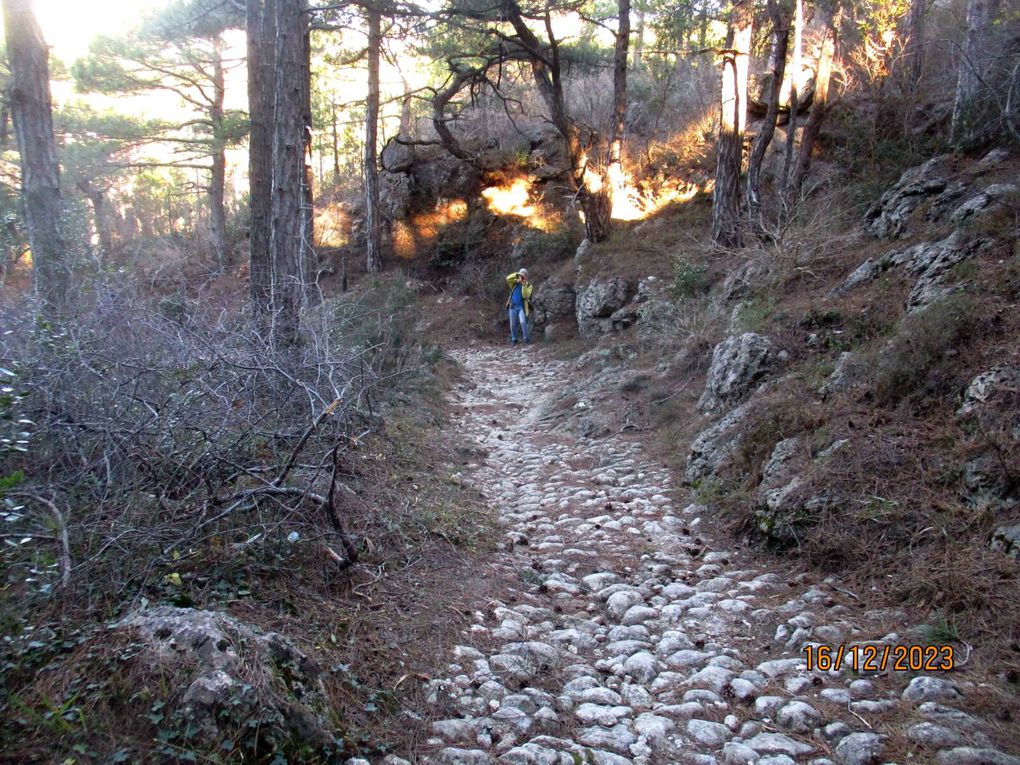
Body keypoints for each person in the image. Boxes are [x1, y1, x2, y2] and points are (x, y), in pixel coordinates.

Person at [505, 268, 533, 345]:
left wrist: (523, 285)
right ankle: (514, 339)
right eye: (521, 274)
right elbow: (508, 278)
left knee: (523, 322)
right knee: (512, 324)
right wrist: (517, 275)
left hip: (522, 308)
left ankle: (526, 339)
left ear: (527, 276)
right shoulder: (514, 283)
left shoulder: (529, 286)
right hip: (512, 306)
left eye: (524, 275)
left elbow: (525, 296)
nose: (522, 276)